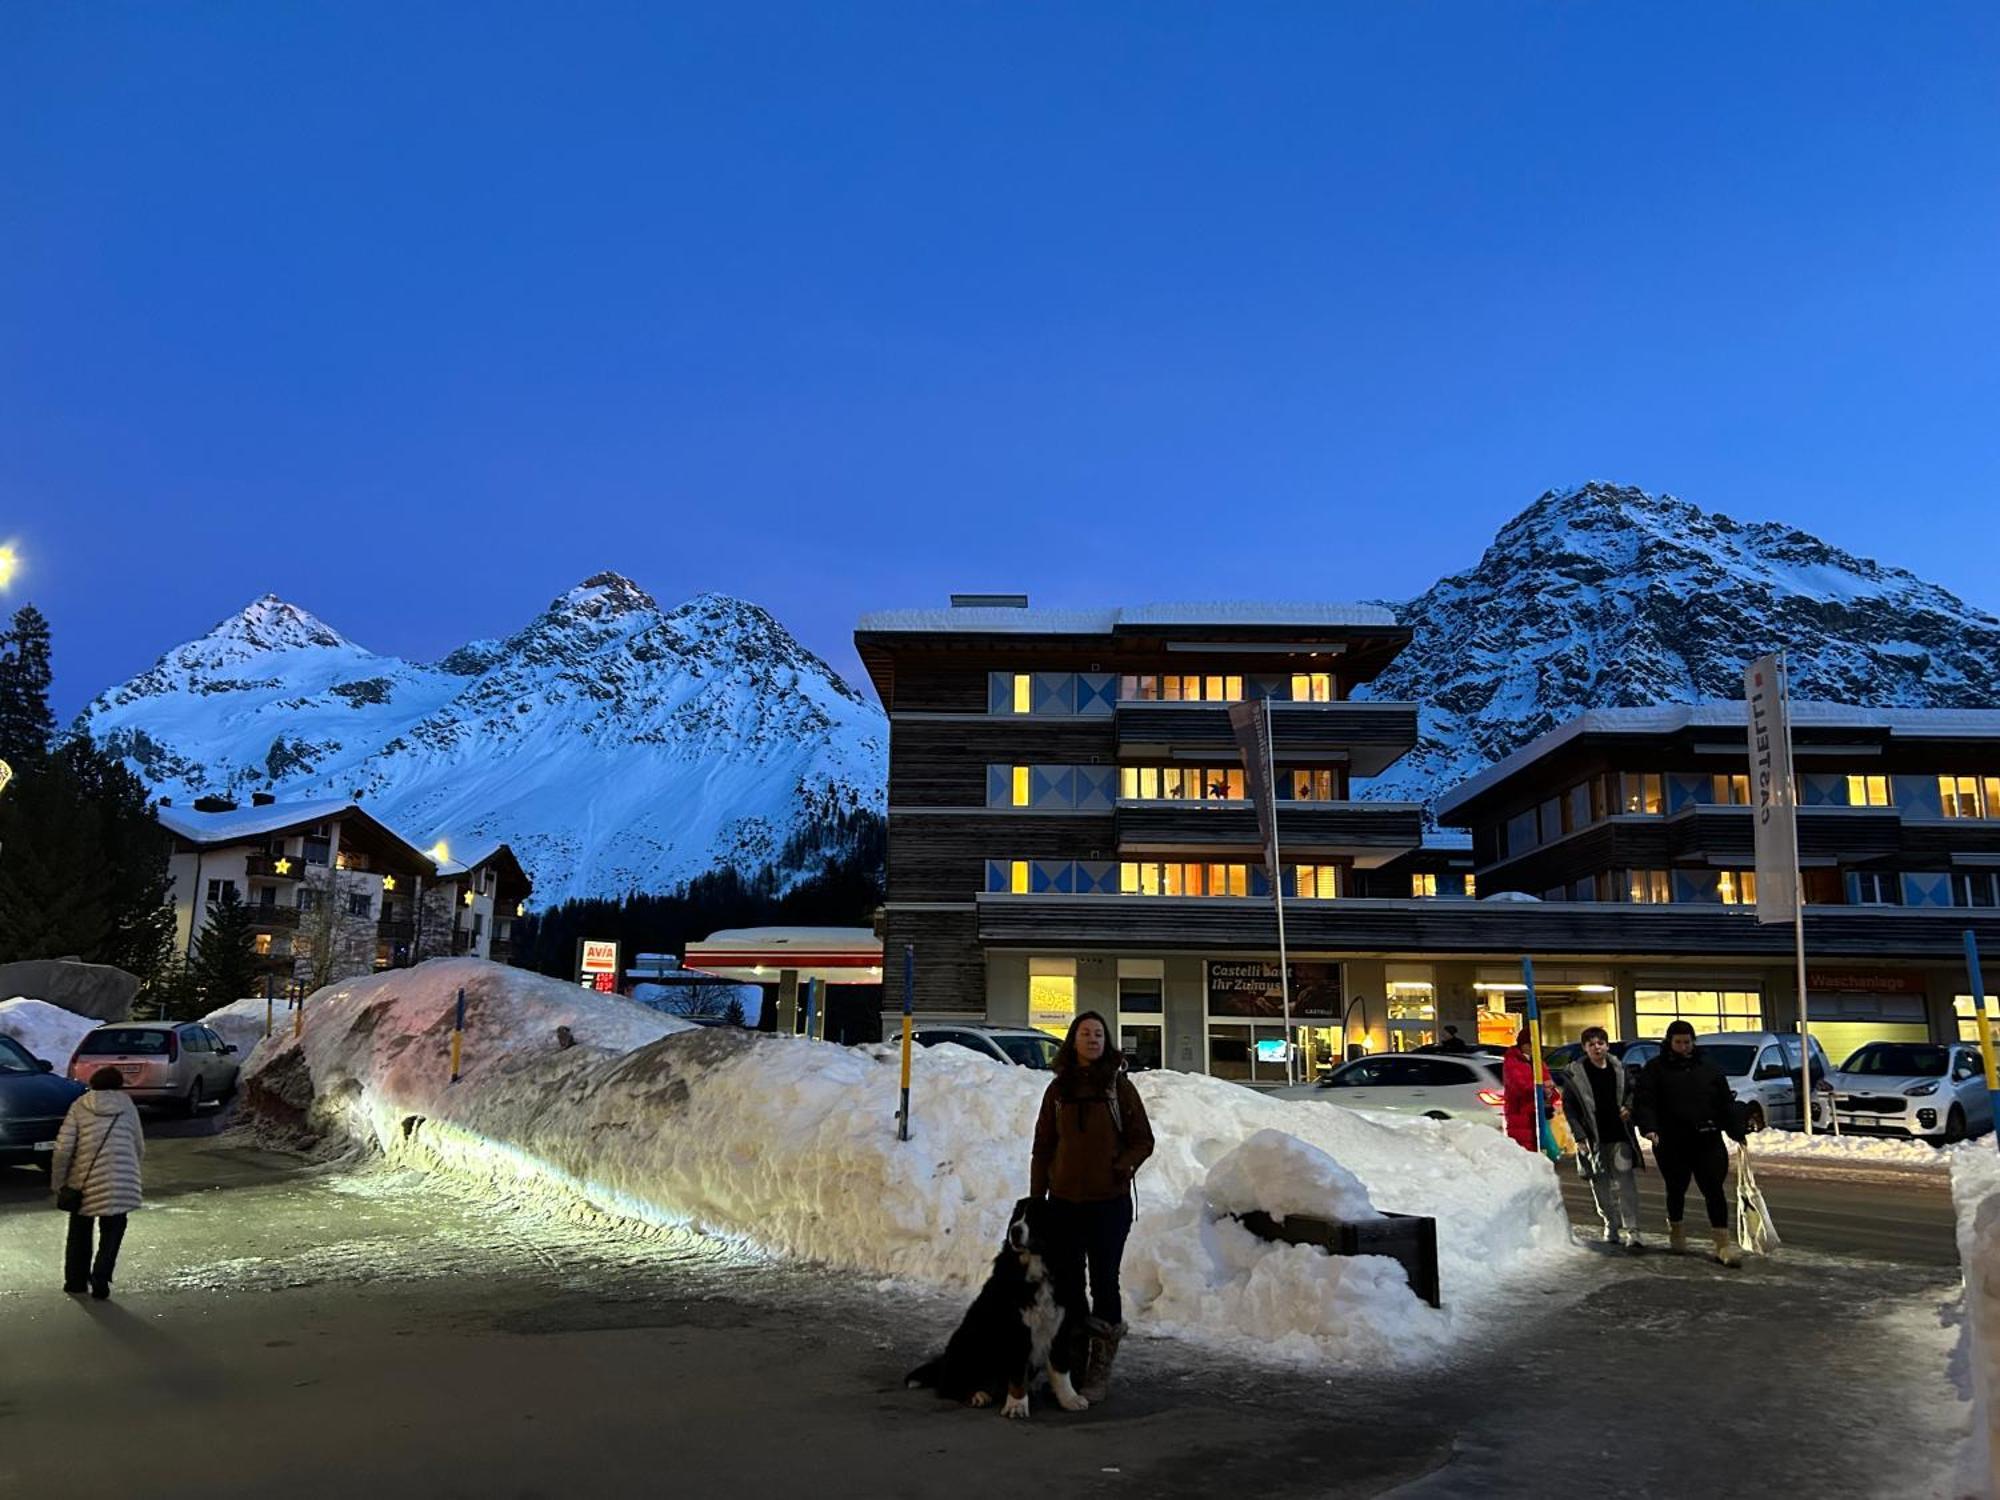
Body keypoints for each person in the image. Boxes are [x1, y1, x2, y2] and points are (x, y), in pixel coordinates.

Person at [1031, 1011, 1154, 1404]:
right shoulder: (1058, 1090)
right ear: (1072, 1040)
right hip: (1064, 1204)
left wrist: (1121, 1168)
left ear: (1107, 1041)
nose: (1092, 1039)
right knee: (1067, 1285)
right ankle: (1073, 1362)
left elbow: (1143, 1139)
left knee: (1104, 1282)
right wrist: (1037, 1201)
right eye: (1085, 1033)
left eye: (1099, 1034)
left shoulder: (1119, 1087)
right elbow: (1044, 1147)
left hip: (1108, 1205)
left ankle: (1099, 1367)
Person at [1632, 1020, 1750, 1266]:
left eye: (1687, 1042)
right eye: (1678, 1042)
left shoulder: (1708, 1067)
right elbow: (1645, 1101)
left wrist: (1736, 1130)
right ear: (1669, 1042)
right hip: (1671, 1140)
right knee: (1676, 1188)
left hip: (1707, 1137)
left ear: (1693, 1042)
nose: (1683, 1047)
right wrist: (1649, 1128)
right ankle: (1676, 1230)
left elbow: (1724, 1101)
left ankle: (1722, 1244)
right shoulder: (1655, 1068)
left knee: (1714, 1190)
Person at [51, 1066, 145, 1299]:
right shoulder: (127, 1106)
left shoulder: (80, 1106)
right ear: (118, 1084)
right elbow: (138, 1144)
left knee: (80, 1230)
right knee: (114, 1228)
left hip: (84, 1181)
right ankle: (101, 1276)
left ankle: (75, 1281)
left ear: (93, 1083)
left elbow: (63, 1149)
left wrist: (59, 1181)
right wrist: (129, 1170)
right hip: (121, 1178)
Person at [1558, 1027, 1645, 1251]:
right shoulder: (1576, 1075)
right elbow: (1570, 1108)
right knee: (1601, 1185)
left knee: (1626, 1183)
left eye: (1601, 1043)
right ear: (1585, 1048)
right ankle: (1611, 1224)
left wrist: (1628, 1107)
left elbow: (1633, 1093)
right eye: (1592, 1044)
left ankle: (1633, 1230)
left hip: (1619, 1136)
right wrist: (1579, 1136)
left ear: (1607, 1045)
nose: (1597, 1047)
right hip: (1594, 1138)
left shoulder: (1619, 1069)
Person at [1501, 1026, 1554, 1153]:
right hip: (1520, 1112)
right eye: (1529, 1044)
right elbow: (1520, 1086)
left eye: (1534, 1044)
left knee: (1541, 1148)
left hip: (1537, 1111)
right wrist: (1542, 1088)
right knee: (1525, 1150)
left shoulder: (1537, 1061)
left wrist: (1550, 1090)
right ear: (1522, 1044)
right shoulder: (1512, 1062)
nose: (1532, 1047)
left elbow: (1548, 1080)